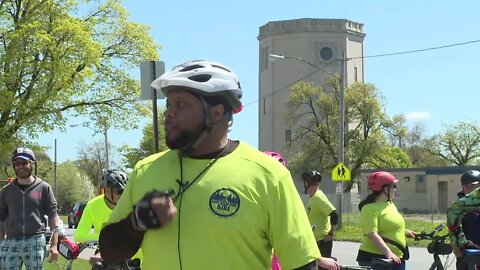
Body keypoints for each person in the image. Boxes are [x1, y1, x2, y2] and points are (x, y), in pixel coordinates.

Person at [99, 60, 339, 270]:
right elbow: (109, 253)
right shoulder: (145, 171)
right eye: (168, 105)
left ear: (216, 112)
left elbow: (301, 264)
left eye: (181, 105)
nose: (169, 114)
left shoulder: (269, 175)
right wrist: (138, 221)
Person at [0, 147, 60, 269]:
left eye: (24, 163)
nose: (20, 166)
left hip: (36, 240)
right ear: (14, 166)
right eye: (17, 164)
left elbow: (53, 216)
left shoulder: (44, 187)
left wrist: (54, 245)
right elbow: (1, 218)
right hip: (11, 241)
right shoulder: (6, 191)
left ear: (31, 164)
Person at [74, 169, 141, 268]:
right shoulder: (93, 205)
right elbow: (79, 235)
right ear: (108, 191)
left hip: (132, 259)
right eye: (120, 192)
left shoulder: (133, 204)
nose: (124, 195)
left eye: (126, 191)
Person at [356, 171, 418, 270]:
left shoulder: (389, 204)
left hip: (396, 257)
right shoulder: (369, 208)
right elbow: (372, 234)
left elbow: (391, 227)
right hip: (376, 259)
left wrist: (406, 232)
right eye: (394, 186)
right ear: (385, 189)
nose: (395, 189)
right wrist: (388, 253)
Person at [301, 170, 338, 262]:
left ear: (307, 183)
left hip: (322, 241)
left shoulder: (318, 197)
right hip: (315, 240)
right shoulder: (313, 197)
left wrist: (331, 233)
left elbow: (334, 215)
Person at [447, 170, 480, 270]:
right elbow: (453, 229)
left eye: (475, 186)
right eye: (468, 186)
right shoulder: (458, 206)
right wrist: (456, 249)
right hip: (467, 252)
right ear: (463, 187)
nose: (472, 189)